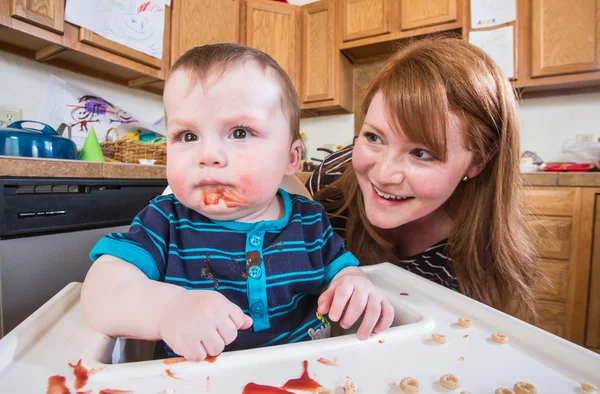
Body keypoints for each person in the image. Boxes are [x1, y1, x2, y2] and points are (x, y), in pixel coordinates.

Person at [81, 43, 394, 362]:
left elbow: (341, 271)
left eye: (240, 132)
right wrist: (167, 308)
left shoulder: (309, 220)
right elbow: (100, 293)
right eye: (188, 136)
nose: (209, 156)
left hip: (309, 373)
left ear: (291, 158)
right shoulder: (164, 222)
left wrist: (352, 283)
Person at [306, 38, 541, 319]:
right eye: (373, 137)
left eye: (421, 153)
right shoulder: (330, 187)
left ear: (480, 160)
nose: (382, 174)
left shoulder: (482, 248)